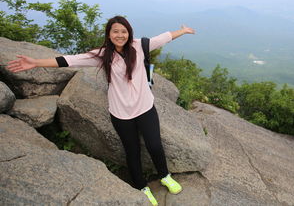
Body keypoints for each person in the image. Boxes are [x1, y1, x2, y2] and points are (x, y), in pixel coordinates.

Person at [6, 15, 196, 206]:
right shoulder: (102, 55)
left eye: (124, 31)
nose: (120, 35)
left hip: (145, 107)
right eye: (115, 31)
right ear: (109, 34)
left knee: (155, 145)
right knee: (132, 151)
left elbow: (166, 37)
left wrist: (183, 31)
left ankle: (164, 175)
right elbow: (70, 60)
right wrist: (36, 62)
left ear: (129, 32)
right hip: (121, 113)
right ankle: (142, 187)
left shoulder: (140, 45)